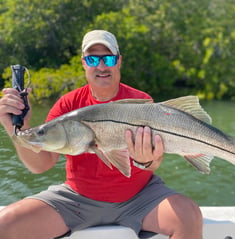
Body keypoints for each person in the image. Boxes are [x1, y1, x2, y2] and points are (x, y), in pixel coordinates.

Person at [0, 30, 203, 239]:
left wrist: (146, 161)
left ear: (119, 61)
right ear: (83, 63)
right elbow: (40, 165)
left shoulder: (141, 102)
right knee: (5, 224)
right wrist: (17, 128)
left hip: (140, 197)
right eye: (93, 59)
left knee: (189, 215)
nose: (101, 66)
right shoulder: (68, 104)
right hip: (77, 200)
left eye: (108, 58)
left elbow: (154, 161)